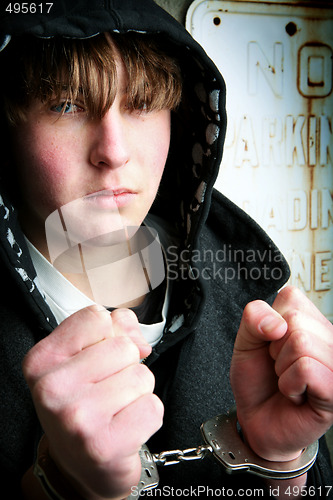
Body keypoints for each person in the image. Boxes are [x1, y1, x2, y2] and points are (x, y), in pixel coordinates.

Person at [0, 1, 332, 499]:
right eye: (65, 105)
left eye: (141, 103)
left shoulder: (249, 281)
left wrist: (277, 460)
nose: (113, 150)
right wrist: (56, 485)